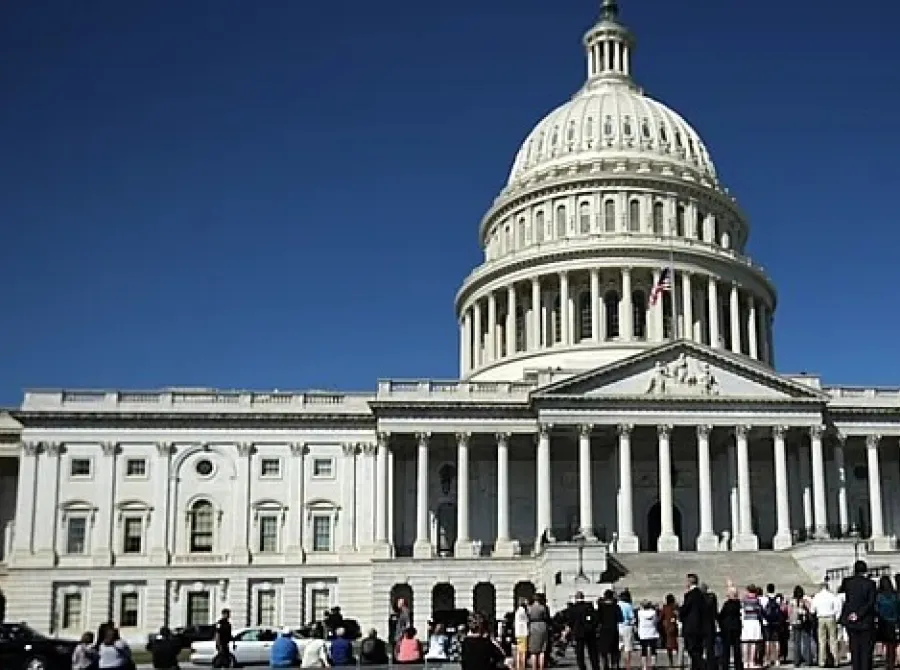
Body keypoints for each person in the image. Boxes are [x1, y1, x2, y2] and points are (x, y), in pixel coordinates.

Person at [840, 560, 877, 670]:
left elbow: (847, 600)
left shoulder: (847, 582)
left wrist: (852, 614)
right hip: (865, 620)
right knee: (865, 650)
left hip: (850, 620)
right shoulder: (870, 584)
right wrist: (859, 614)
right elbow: (870, 603)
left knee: (854, 649)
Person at [811, 579, 842, 667]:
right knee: (833, 640)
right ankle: (835, 660)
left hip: (820, 618)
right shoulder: (832, 596)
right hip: (831, 617)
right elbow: (838, 608)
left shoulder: (817, 596)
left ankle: (822, 661)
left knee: (821, 641)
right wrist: (836, 617)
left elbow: (812, 609)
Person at [680, 573, 706, 670]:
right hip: (700, 626)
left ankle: (702, 666)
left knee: (692, 649)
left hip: (691, 627)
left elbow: (685, 609)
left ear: (690, 582)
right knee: (698, 650)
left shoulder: (690, 594)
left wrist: (679, 611)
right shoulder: (700, 594)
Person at [570, 591, 600, 670]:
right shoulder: (589, 606)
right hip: (590, 631)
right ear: (583, 597)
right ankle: (595, 667)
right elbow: (595, 618)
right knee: (593, 652)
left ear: (576, 598)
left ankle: (582, 667)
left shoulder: (572, 608)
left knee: (580, 653)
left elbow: (570, 621)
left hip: (578, 632)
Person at [876, 576, 900, 670]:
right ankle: (892, 662)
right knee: (893, 644)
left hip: (883, 622)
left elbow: (876, 609)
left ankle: (887, 662)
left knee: (885, 643)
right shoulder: (895, 595)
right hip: (894, 622)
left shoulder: (879, 596)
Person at [597, 590, 624, 670]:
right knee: (614, 650)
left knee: (604, 650)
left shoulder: (601, 607)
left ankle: (605, 665)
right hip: (613, 630)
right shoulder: (616, 606)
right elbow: (620, 619)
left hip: (604, 630)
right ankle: (614, 665)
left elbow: (598, 619)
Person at [718, 586, 743, 670]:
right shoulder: (738, 603)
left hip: (727, 628)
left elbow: (721, 615)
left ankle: (725, 666)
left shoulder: (728, 604)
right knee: (737, 649)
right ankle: (738, 666)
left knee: (726, 649)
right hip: (736, 628)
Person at [788, 586, 813, 667]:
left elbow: (789, 613)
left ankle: (796, 661)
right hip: (805, 623)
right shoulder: (805, 601)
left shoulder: (792, 602)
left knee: (796, 643)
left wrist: (790, 622)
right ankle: (808, 660)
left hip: (795, 623)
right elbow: (810, 610)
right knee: (806, 642)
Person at [740, 585, 763, 669]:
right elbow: (759, 611)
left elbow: (741, 609)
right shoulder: (756, 600)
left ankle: (745, 662)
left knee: (745, 643)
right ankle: (751, 661)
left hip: (746, 621)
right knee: (753, 643)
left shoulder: (744, 600)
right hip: (754, 621)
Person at [528, 594, 550, 670]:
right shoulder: (543, 608)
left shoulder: (529, 608)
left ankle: (534, 668)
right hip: (543, 626)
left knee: (534, 652)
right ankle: (541, 668)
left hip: (533, 627)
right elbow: (547, 618)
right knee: (542, 651)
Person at [636, 601, 659, 670]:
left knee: (643, 650)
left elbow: (638, 620)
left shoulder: (639, 613)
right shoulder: (654, 612)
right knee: (653, 650)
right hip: (653, 632)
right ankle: (653, 665)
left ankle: (644, 666)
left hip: (643, 633)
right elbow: (656, 621)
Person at [661, 594, 680, 668]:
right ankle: (679, 661)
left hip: (667, 628)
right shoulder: (675, 607)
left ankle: (671, 662)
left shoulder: (665, 608)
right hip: (674, 627)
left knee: (669, 646)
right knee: (676, 645)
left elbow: (661, 617)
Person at [618, 590, 635, 670]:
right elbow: (632, 617)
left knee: (619, 646)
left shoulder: (617, 604)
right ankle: (627, 666)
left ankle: (619, 664)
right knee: (627, 648)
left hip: (618, 626)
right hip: (627, 626)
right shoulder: (628, 605)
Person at [514, 598, 530, 670]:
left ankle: (518, 666)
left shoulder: (517, 611)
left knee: (518, 651)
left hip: (518, 633)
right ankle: (523, 667)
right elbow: (527, 621)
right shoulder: (523, 612)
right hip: (523, 633)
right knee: (523, 652)